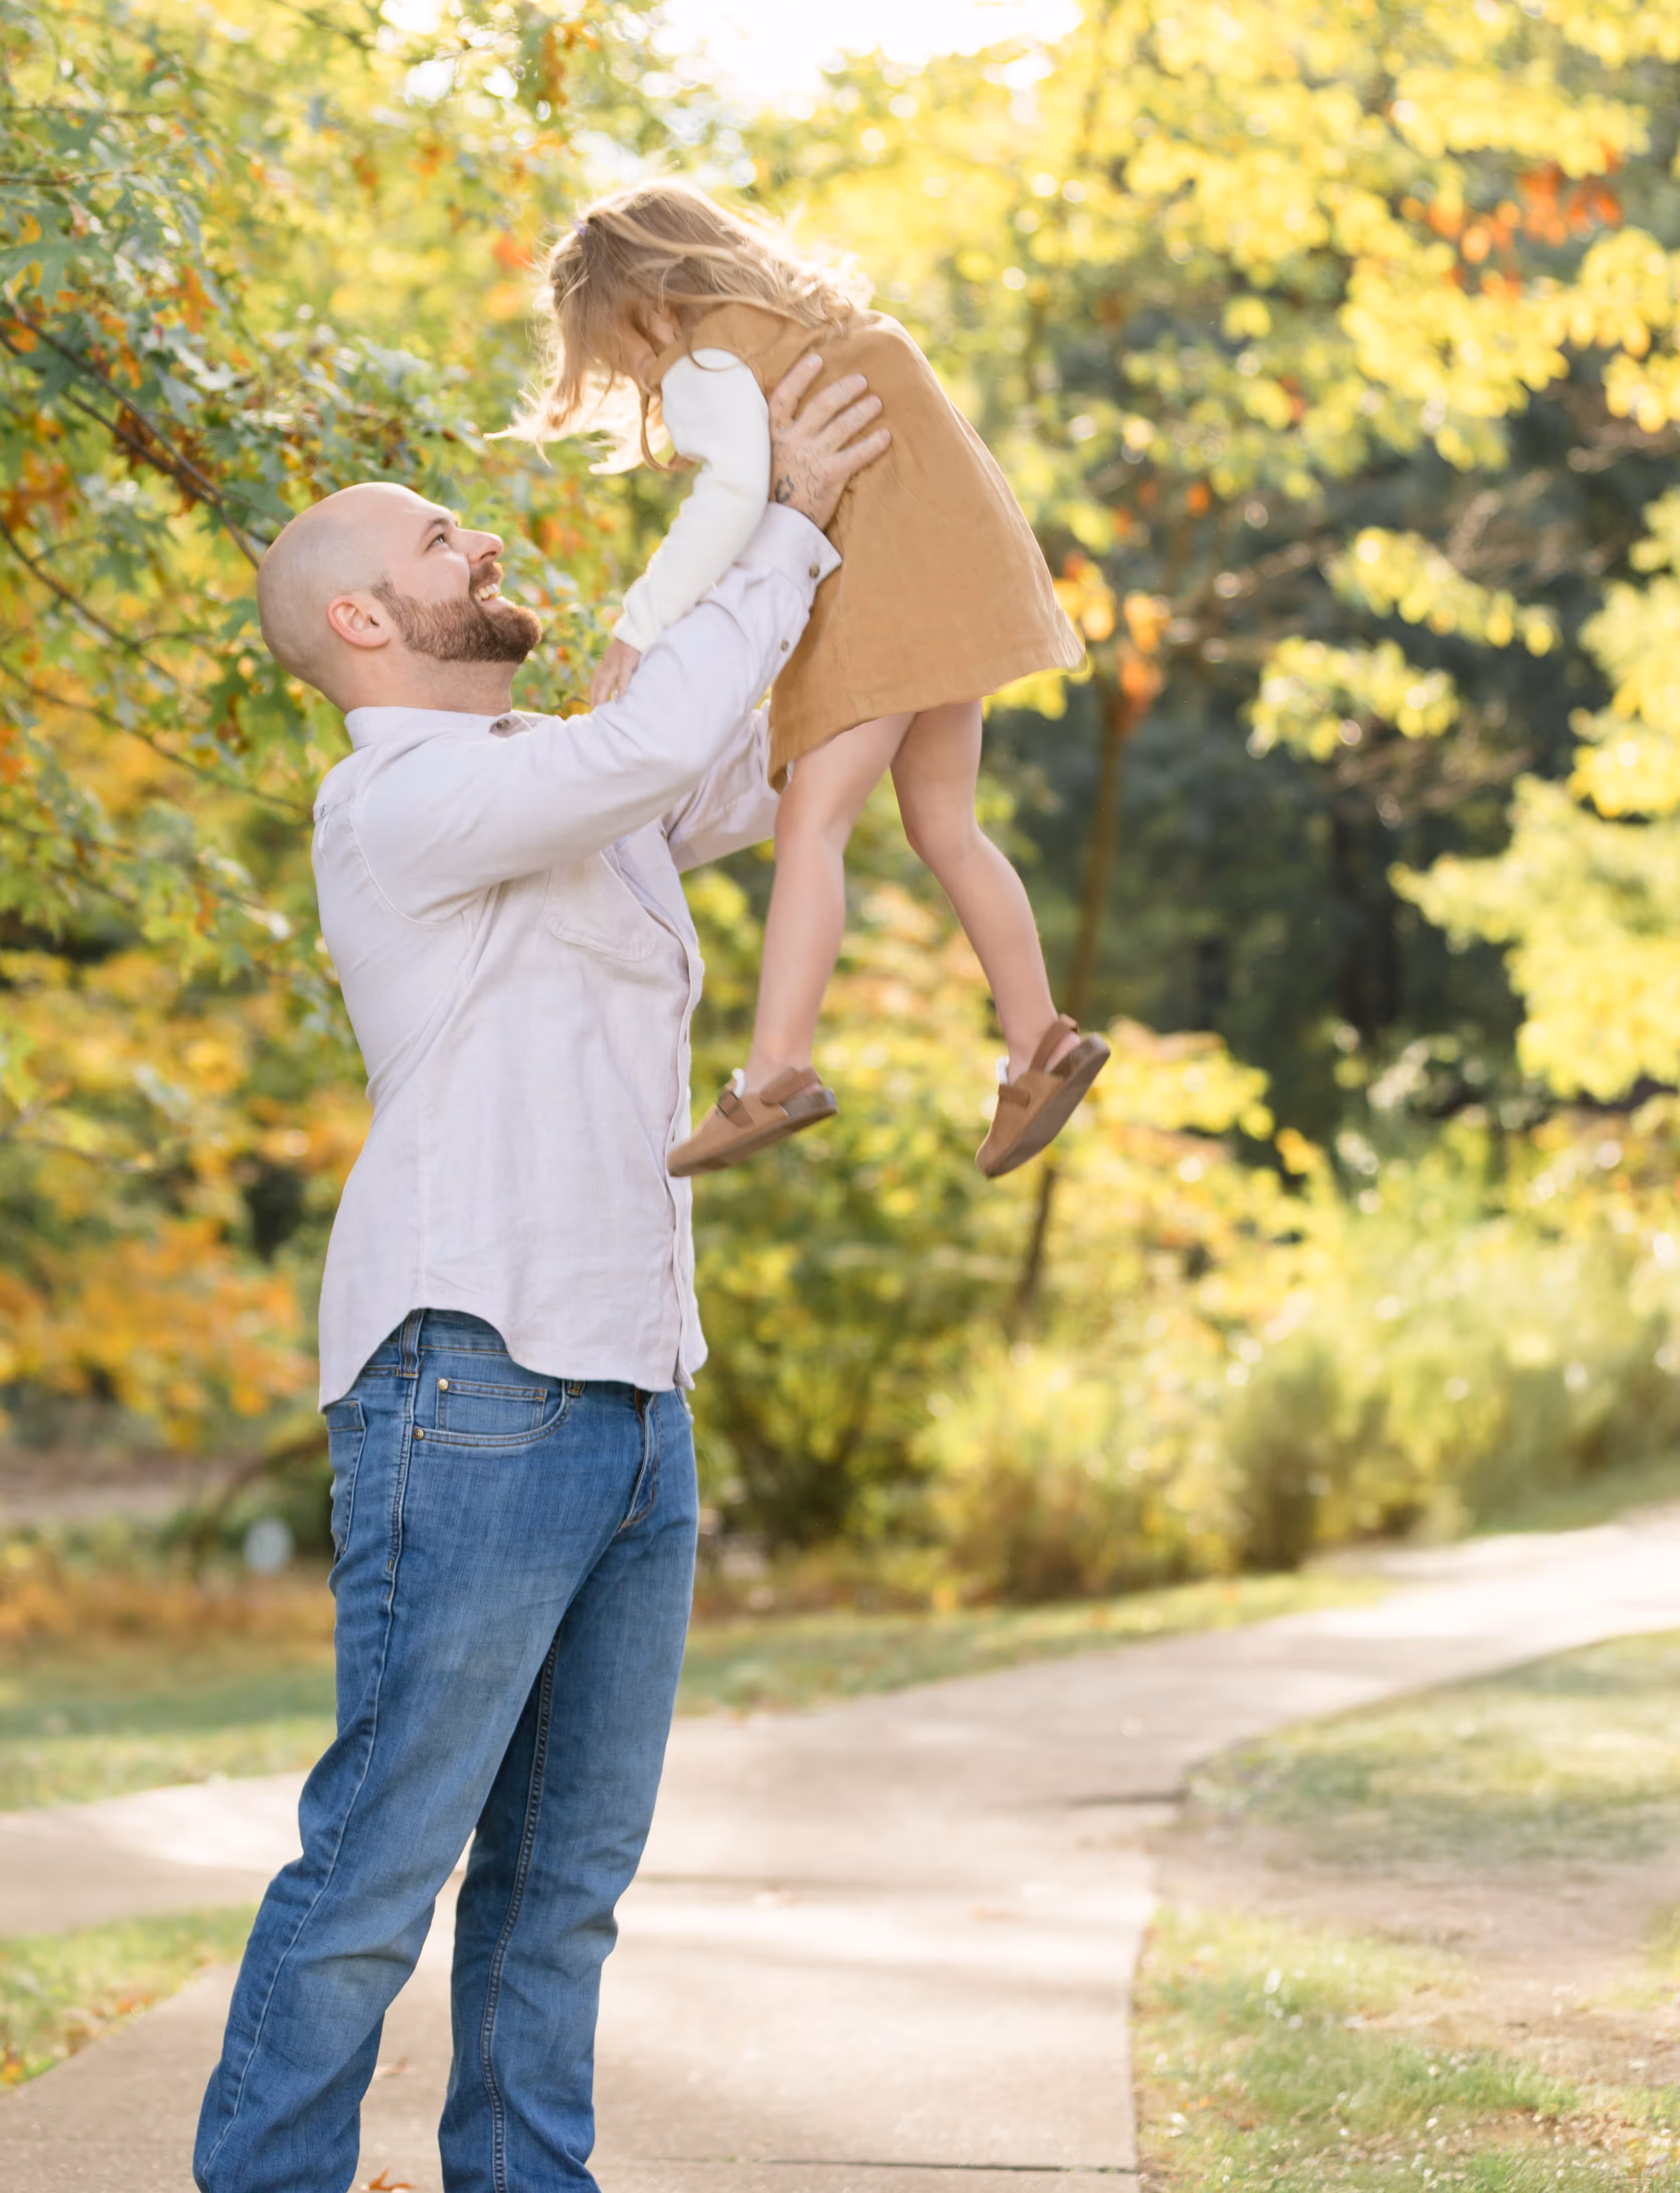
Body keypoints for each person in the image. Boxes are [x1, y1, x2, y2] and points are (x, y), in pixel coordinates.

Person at [191, 352, 888, 2193]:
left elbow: (735, 768)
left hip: (635, 1385)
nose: (481, 537)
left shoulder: (557, 788)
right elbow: (653, 750)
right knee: (384, 1860)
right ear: (366, 618)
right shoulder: (396, 805)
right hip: (470, 1377)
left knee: (566, 1885)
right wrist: (780, 530)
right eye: (442, 537)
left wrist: (874, 548)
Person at [522, 177, 1106, 1184]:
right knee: (947, 829)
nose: (636, 374)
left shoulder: (708, 350)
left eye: (620, 353)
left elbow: (738, 493)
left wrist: (641, 627)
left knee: (811, 823)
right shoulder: (812, 322)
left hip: (879, 595)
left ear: (646, 303)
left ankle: (775, 1072)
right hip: (954, 580)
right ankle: (1040, 1042)